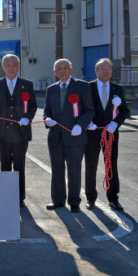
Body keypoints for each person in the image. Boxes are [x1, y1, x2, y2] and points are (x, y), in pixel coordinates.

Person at [0, 54, 37, 208]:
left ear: (19, 66)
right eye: (8, 65)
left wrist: (28, 117)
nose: (11, 68)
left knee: (20, 165)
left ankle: (19, 197)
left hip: (21, 134)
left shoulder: (26, 84)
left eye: (14, 64)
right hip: (2, 133)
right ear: (3, 68)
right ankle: (6, 194)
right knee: (5, 164)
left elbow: (33, 105)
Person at [43, 58, 94, 213]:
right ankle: (57, 200)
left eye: (65, 68)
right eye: (59, 68)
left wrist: (80, 125)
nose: (62, 70)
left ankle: (74, 202)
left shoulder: (82, 86)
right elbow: (47, 110)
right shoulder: (51, 89)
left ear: (71, 70)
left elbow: (89, 110)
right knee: (57, 170)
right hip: (56, 137)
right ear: (55, 72)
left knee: (74, 170)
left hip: (75, 136)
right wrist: (47, 119)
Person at [84, 58, 129, 211]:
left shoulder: (117, 89)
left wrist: (115, 123)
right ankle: (90, 197)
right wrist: (87, 123)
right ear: (96, 71)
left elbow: (124, 110)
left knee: (111, 165)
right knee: (91, 165)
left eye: (109, 69)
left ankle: (113, 198)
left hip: (110, 133)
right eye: (102, 69)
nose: (106, 72)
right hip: (92, 133)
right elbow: (83, 108)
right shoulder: (88, 87)